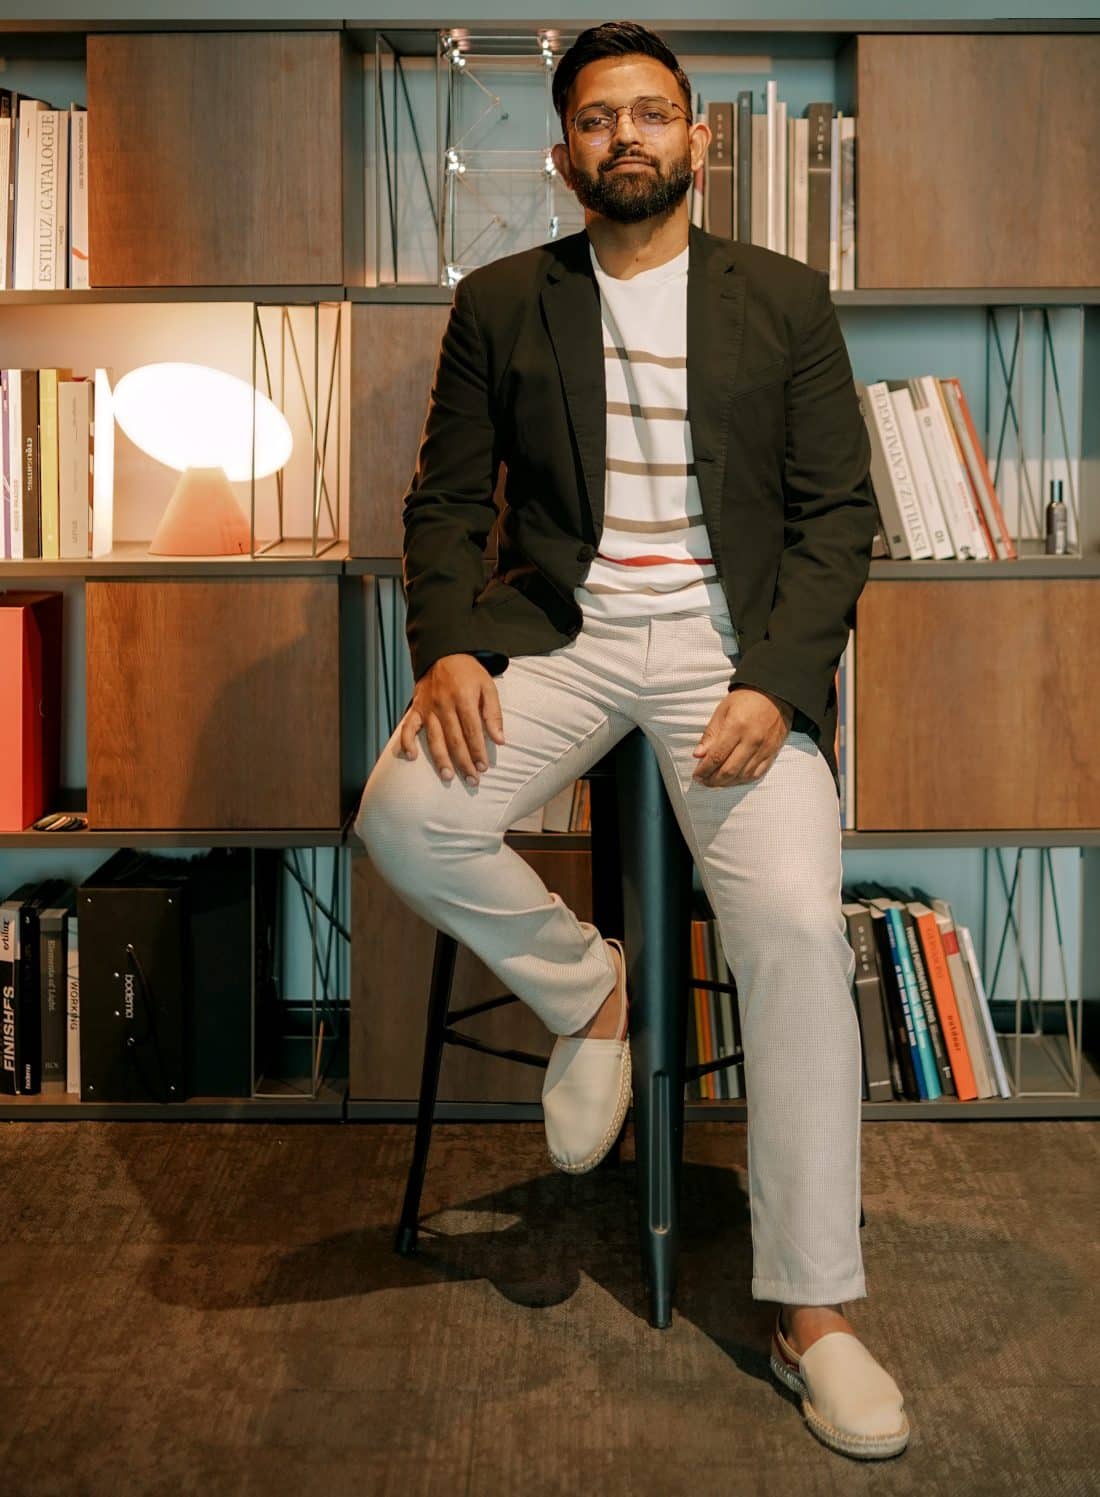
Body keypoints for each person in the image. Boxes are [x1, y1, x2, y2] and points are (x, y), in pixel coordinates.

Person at [355, 20, 909, 1461]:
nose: (626, 137)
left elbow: (837, 516)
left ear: (696, 139)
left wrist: (777, 682)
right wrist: (449, 644)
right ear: (564, 155)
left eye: (650, 113)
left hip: (734, 656)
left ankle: (814, 1311)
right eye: (598, 118)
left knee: (795, 930)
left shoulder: (782, 300)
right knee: (403, 815)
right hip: (563, 635)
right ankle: (592, 991)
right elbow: (444, 500)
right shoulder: (502, 302)